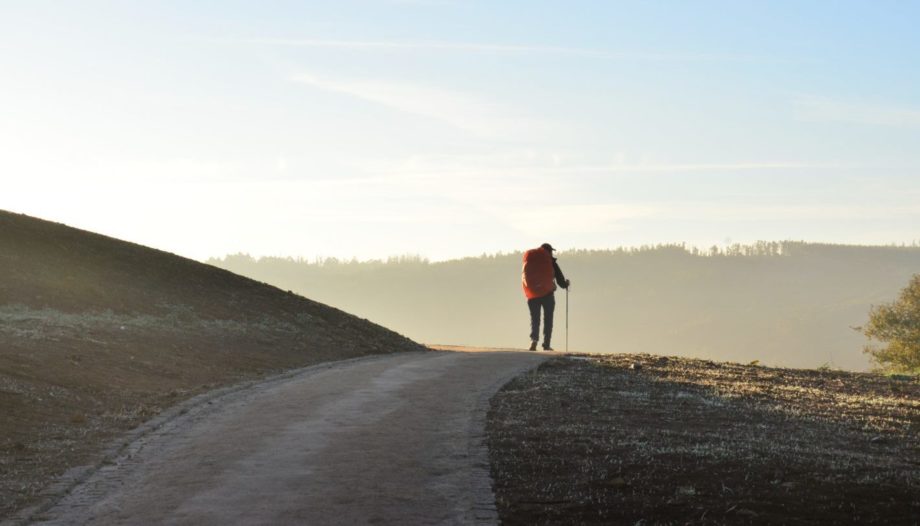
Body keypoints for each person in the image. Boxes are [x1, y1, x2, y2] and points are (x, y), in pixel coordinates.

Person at [521, 243, 570, 351]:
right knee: (548, 320)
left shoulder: (531, 259)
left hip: (532, 294)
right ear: (549, 251)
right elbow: (559, 278)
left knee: (535, 319)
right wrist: (566, 284)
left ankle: (534, 341)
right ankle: (546, 344)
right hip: (548, 295)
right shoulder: (550, 261)